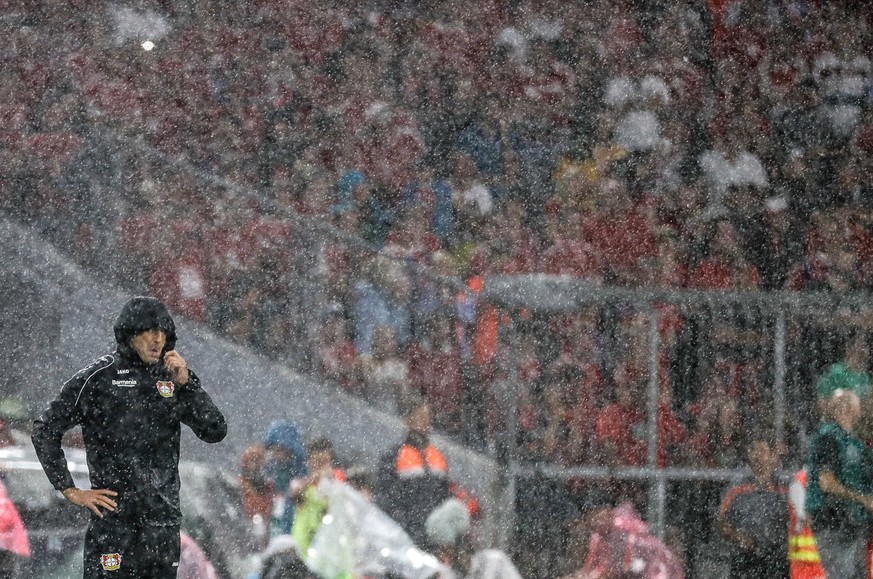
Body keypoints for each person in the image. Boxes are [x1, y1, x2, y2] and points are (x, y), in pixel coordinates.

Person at [31, 296, 227, 578]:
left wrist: (188, 385)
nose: (156, 339)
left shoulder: (174, 378)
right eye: (149, 331)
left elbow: (215, 431)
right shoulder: (99, 378)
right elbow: (45, 429)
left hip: (162, 528)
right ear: (130, 333)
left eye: (163, 333)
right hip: (114, 526)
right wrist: (69, 489)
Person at [806, 388, 873, 579]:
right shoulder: (828, 438)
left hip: (853, 525)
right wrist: (863, 500)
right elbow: (826, 483)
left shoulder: (853, 442)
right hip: (835, 524)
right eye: (858, 405)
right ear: (847, 409)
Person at [376, 396, 453, 546]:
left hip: (433, 538)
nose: (425, 422)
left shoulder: (438, 457)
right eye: (419, 417)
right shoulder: (394, 456)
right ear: (407, 420)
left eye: (427, 417)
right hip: (406, 535)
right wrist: (403, 527)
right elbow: (386, 498)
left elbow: (444, 495)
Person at [718, 434, 789, 578]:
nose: (757, 456)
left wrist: (784, 540)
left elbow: (796, 522)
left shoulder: (785, 489)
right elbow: (721, 521)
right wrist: (738, 537)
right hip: (745, 559)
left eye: (762, 451)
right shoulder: (736, 487)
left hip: (777, 559)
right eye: (753, 450)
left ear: (773, 456)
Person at [262, 420, 308, 538]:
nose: (277, 454)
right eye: (274, 450)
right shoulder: (270, 471)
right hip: (273, 530)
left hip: (298, 532)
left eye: (280, 449)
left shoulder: (302, 472)